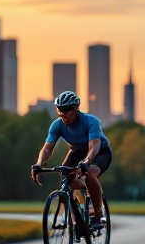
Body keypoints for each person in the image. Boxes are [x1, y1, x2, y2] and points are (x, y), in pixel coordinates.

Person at [31, 91, 112, 225]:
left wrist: (87, 161)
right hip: (76, 152)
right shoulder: (57, 125)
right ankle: (80, 209)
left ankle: (98, 213)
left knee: (89, 173)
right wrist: (39, 164)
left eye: (67, 110)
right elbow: (47, 148)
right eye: (59, 110)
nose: (63, 114)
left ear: (76, 109)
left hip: (100, 153)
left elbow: (94, 146)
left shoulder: (90, 121)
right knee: (66, 178)